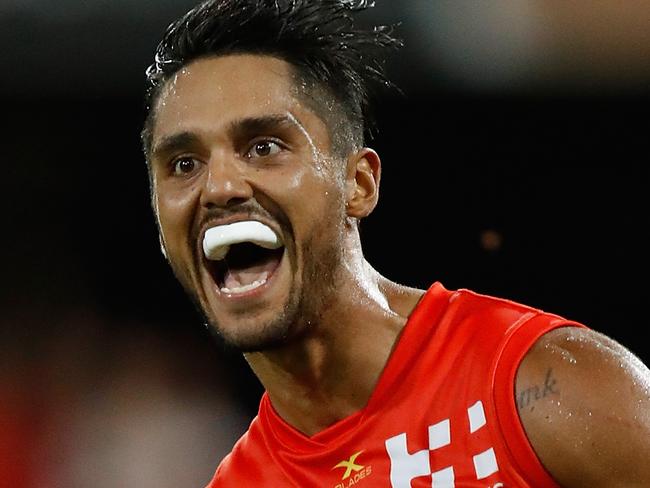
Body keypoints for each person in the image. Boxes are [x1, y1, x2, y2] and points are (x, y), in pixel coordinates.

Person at [140, 1, 650, 486]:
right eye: (185, 164)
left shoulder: (541, 388)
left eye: (263, 147)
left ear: (358, 185)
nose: (221, 186)